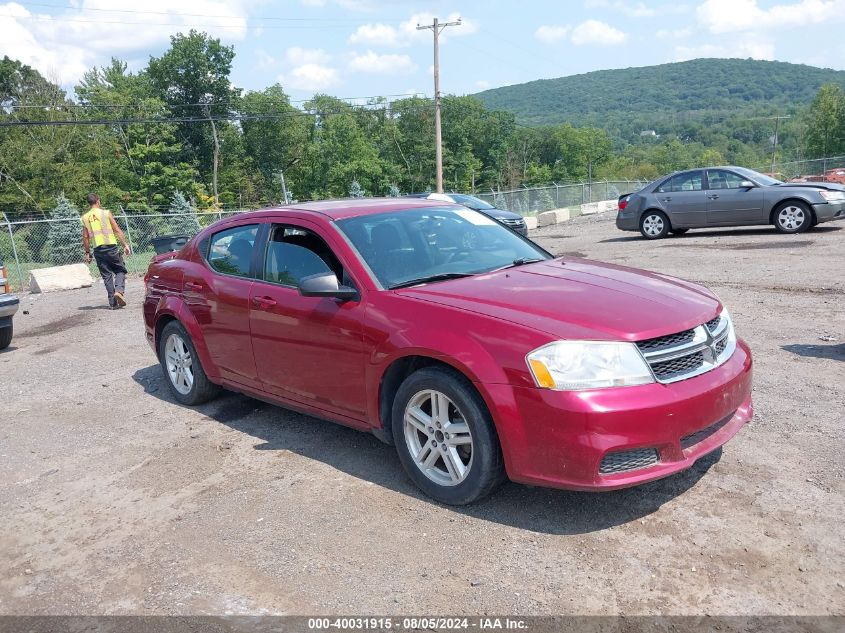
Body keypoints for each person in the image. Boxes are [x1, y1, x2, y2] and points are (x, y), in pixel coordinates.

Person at [81, 194, 131, 309]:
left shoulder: (85, 217)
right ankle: (119, 291)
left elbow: (85, 237)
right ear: (98, 201)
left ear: (89, 203)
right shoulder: (106, 213)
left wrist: (87, 253)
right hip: (111, 247)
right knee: (120, 269)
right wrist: (125, 245)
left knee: (107, 275)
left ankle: (113, 304)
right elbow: (117, 230)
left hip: (98, 250)